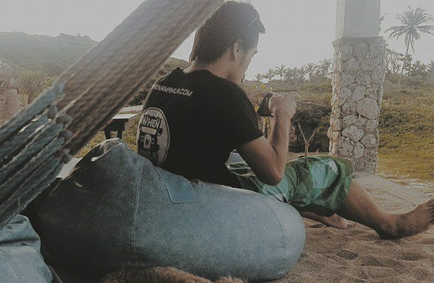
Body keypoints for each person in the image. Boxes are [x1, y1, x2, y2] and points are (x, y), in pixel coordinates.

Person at [136, 1, 433, 239]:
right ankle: (390, 224)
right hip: (213, 200)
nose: (248, 63)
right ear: (237, 47)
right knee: (324, 168)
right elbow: (273, 173)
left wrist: (242, 110)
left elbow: (198, 126)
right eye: (251, 54)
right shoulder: (224, 94)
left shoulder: (165, 82)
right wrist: (282, 113)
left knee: (240, 160)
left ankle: (312, 204)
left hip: (173, 188)